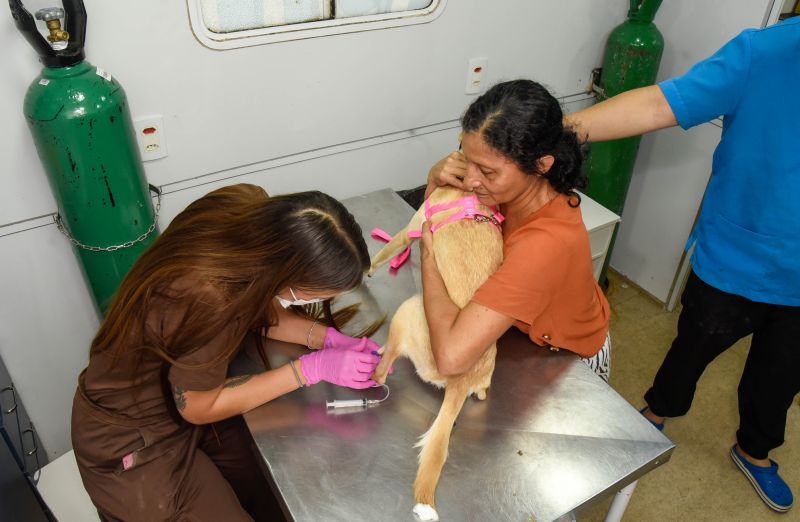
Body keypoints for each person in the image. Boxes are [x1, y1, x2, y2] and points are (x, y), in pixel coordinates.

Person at [565, 16, 800, 513]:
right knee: (694, 346)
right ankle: (657, 411)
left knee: (781, 375)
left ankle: (754, 451)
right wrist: (549, 131)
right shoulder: (765, 53)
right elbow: (658, 103)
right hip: (738, 260)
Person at [71, 183, 383, 521]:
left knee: (263, 489)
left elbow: (257, 295)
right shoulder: (209, 297)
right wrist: (309, 369)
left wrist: (323, 337)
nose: (314, 304)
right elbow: (199, 407)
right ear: (287, 274)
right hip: (131, 443)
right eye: (313, 295)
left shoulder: (246, 207)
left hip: (173, 398)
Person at [422, 79, 611, 382]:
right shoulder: (504, 189)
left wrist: (428, 258)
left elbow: (450, 358)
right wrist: (435, 176)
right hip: (524, 329)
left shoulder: (545, 244)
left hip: (567, 357)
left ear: (541, 165)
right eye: (464, 157)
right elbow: (437, 215)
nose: (469, 180)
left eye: (486, 171)